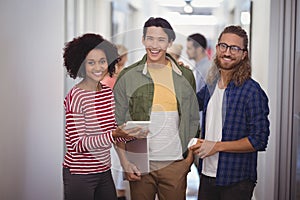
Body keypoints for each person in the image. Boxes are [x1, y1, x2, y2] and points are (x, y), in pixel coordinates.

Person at [113, 17, 199, 200]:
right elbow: (116, 123)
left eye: (161, 39)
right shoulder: (128, 77)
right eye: (150, 38)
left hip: (175, 163)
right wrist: (125, 163)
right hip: (140, 164)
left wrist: (188, 160)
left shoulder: (185, 75)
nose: (154, 45)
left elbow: (193, 120)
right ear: (143, 40)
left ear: (170, 43)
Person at [190, 25, 270, 200]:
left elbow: (259, 140)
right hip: (206, 174)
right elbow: (191, 104)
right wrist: (179, 73)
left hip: (236, 180)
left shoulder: (252, 91)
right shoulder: (211, 85)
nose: (227, 52)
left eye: (235, 48)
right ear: (217, 48)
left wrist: (217, 146)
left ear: (244, 54)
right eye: (223, 46)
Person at [62, 33, 141, 200]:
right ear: (81, 64)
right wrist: (114, 134)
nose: (98, 67)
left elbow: (113, 131)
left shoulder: (107, 94)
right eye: (91, 62)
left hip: (104, 171)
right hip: (80, 175)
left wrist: (129, 137)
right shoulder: (76, 96)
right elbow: (77, 144)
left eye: (102, 61)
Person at [102, 44, 130, 200]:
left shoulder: (107, 79)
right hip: (115, 124)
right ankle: (118, 192)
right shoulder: (116, 79)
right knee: (117, 161)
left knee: (117, 160)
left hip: (113, 124)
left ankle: (118, 191)